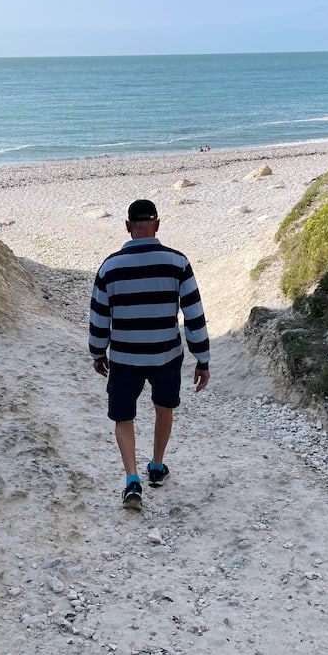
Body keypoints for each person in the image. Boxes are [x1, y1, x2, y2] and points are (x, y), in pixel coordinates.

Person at [89, 199, 210, 509]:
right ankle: (156, 465)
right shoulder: (177, 263)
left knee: (123, 416)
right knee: (163, 407)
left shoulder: (110, 266)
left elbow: (99, 317)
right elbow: (193, 314)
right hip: (166, 355)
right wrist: (202, 357)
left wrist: (97, 353)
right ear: (157, 224)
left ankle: (132, 479)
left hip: (125, 357)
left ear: (129, 227)